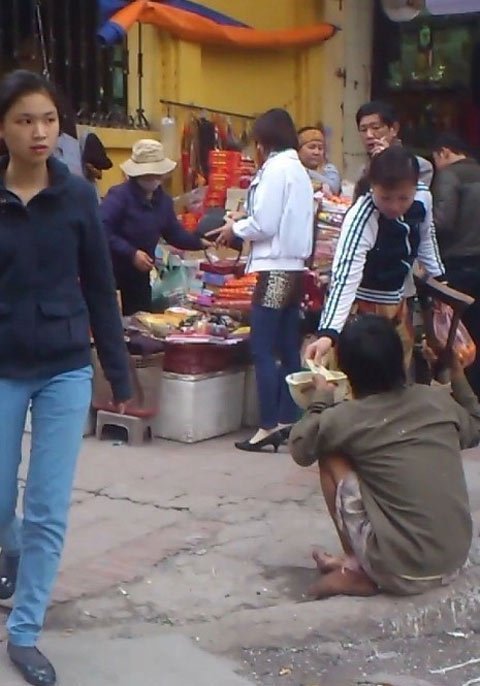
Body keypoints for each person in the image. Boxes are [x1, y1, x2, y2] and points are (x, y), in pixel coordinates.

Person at [0, 70, 131, 685]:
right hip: (2, 367)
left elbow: (101, 287)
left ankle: (24, 632)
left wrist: (119, 375)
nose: (39, 132)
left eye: (48, 120)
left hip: (64, 368)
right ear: (3, 127)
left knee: (47, 506)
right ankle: (10, 548)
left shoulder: (78, 196)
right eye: (25, 120)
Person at [290, 314, 478, 599]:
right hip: (453, 559)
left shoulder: (346, 418)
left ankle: (357, 568)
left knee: (330, 455)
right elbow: (475, 425)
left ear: (345, 371)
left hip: (402, 571)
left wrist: (320, 400)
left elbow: (301, 448)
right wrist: (457, 373)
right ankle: (370, 559)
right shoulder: (437, 401)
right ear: (400, 361)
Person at [208, 108, 314, 452]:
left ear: (263, 141)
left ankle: (268, 424)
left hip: (275, 268)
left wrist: (235, 227)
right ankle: (287, 417)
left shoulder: (275, 170)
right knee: (287, 347)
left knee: (263, 347)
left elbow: (264, 224)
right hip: (294, 267)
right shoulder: (297, 169)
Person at [305, 146, 444, 367]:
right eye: (385, 197)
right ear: (372, 187)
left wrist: (440, 282)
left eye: (403, 198)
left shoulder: (423, 198)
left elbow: (426, 239)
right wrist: (328, 333)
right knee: (362, 375)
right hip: (362, 311)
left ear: (415, 187)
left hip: (398, 305)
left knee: (398, 374)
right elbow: (345, 278)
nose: (395, 206)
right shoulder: (362, 217)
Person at [101, 139, 209, 316]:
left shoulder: (163, 201)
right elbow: (101, 229)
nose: (152, 178)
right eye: (147, 174)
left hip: (139, 275)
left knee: (141, 319)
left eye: (155, 174)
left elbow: (173, 233)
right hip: (111, 270)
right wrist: (131, 253)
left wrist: (199, 242)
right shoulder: (119, 196)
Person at [432, 132, 480, 398]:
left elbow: (443, 221)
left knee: (459, 336)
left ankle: (464, 393)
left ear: (444, 152)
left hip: (459, 265)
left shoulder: (449, 175)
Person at [355, 100, 433, 199]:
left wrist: (388, 160)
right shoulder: (364, 169)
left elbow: (412, 202)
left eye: (376, 127)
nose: (369, 135)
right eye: (363, 130)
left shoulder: (420, 166)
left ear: (394, 129)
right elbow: (359, 201)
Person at [297, 125, 341, 195]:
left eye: (320, 148)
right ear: (298, 150)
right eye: (311, 147)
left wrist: (307, 171)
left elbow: (334, 188)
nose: (316, 152)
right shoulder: (291, 170)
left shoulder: (329, 169)